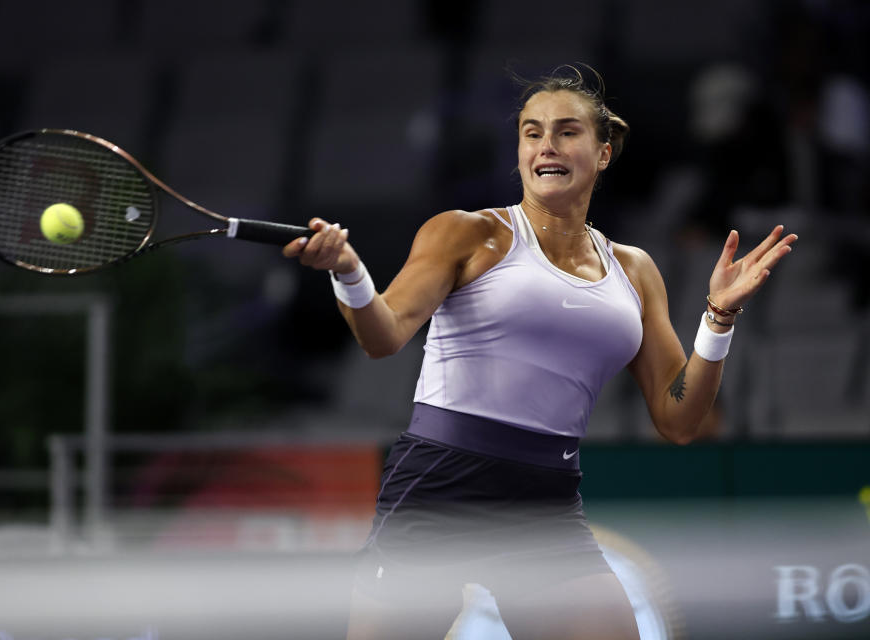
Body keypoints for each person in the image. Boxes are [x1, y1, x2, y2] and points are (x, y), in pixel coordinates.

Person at [283, 65, 796, 639]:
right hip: (437, 491)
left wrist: (718, 316)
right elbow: (383, 336)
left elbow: (679, 420)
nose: (546, 145)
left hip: (545, 506)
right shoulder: (467, 233)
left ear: (603, 154)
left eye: (567, 131)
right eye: (532, 132)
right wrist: (350, 273)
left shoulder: (635, 270)